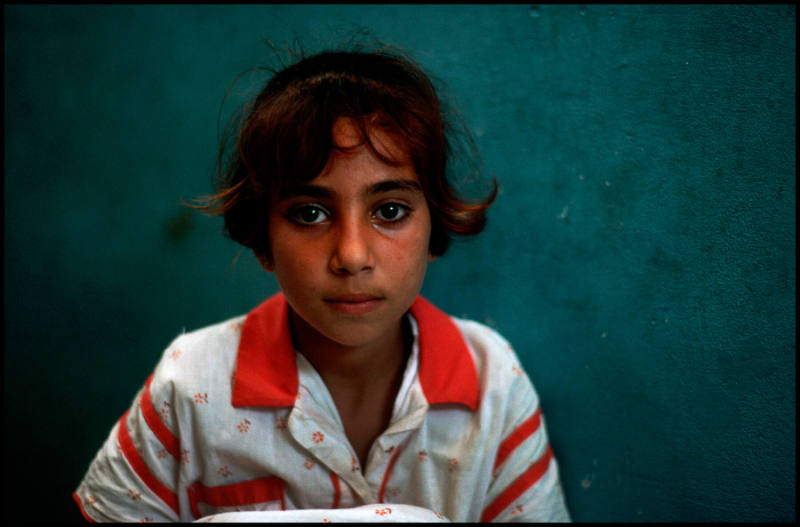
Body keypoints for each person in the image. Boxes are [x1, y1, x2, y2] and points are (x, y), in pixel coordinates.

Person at [73, 43, 571, 522]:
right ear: (263, 238)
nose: (352, 255)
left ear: (434, 228)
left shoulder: (492, 381)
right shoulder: (191, 385)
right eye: (310, 213)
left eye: (390, 211)